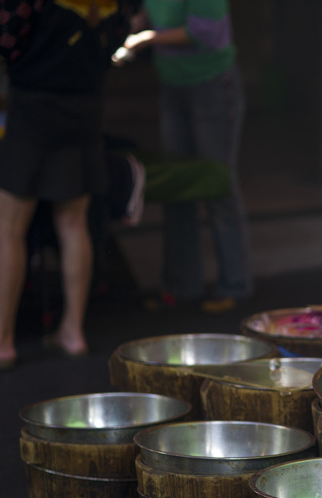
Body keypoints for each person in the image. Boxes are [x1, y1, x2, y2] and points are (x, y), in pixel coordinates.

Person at [0, 0, 134, 370]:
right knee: (73, 223)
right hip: (85, 109)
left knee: (5, 226)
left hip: (35, 108)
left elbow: (5, 36)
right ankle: (72, 331)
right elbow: (120, 33)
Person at [113, 0, 253, 313]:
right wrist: (137, 22)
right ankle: (181, 286)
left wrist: (146, 39)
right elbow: (156, 9)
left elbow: (206, 32)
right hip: (173, 84)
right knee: (179, 187)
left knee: (218, 186)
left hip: (213, 84)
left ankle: (235, 284)